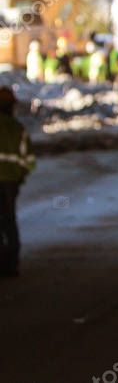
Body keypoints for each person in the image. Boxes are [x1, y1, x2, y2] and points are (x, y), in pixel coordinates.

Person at [0, 87, 34, 277]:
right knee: (9, 220)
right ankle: (11, 264)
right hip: (11, 182)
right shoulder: (17, 129)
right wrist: (20, 175)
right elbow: (28, 159)